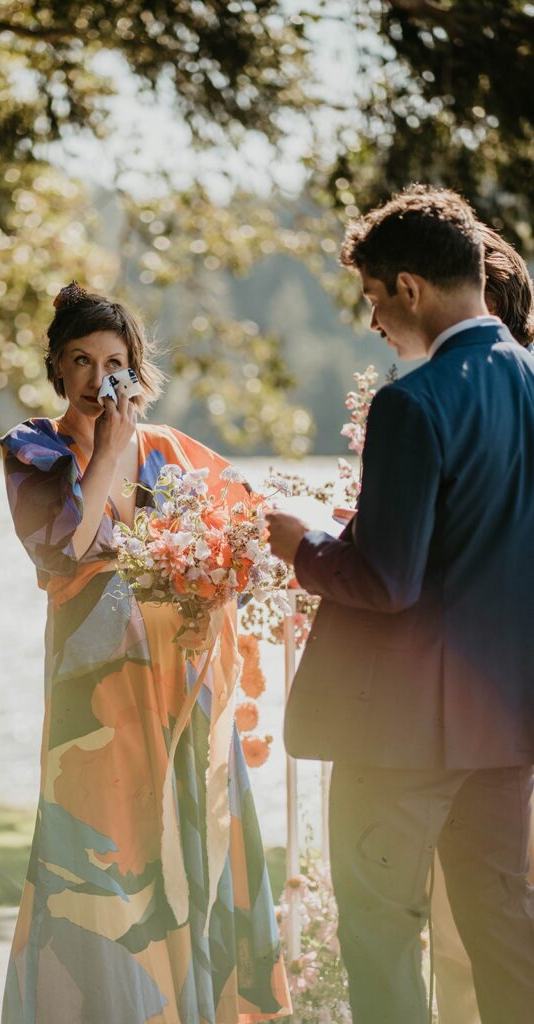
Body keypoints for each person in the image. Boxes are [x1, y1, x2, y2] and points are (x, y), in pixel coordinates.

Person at [266, 186, 534, 1024]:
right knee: (504, 932)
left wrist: (303, 542)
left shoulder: (411, 403)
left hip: (399, 736)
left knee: (381, 941)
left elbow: (387, 579)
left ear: (409, 288)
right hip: (508, 724)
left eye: (374, 302)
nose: (375, 323)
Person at [0, 282, 291, 1024]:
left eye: (115, 360)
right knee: (99, 870)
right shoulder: (34, 449)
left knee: (192, 852)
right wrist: (114, 445)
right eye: (81, 360)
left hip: (183, 695)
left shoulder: (176, 455)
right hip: (94, 706)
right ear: (57, 370)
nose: (100, 379)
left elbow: (250, 529)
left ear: (136, 369)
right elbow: (63, 546)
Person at [429, 222, 534, 1024]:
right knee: (486, 908)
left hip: (486, 709)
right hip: (490, 708)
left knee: (493, 909)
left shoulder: (446, 400)